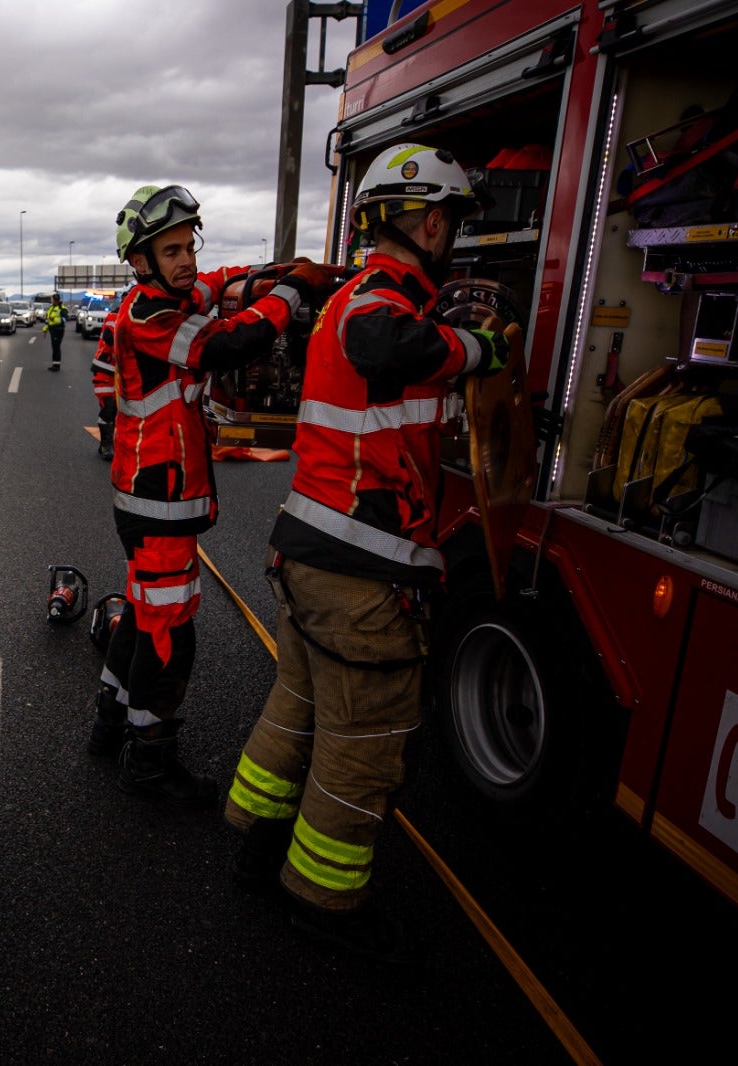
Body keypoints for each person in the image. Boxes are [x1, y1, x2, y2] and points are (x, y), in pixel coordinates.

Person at [222, 143, 513, 957]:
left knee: (301, 709)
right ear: (426, 220)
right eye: (450, 220)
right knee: (364, 752)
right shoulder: (377, 302)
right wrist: (480, 349)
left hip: (318, 554)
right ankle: (323, 901)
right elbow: (387, 348)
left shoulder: (366, 296)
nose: (451, 234)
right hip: (363, 571)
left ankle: (256, 845)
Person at [87, 183, 341, 807]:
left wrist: (274, 273)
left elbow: (222, 281)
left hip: (148, 498)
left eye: (187, 247)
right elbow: (228, 345)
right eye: (169, 251)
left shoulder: (176, 291)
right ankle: (149, 760)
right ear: (141, 262)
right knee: (171, 634)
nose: (186, 261)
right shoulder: (151, 317)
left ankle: (110, 723)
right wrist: (294, 291)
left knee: (144, 615)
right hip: (160, 500)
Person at [89, 298, 120, 460]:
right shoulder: (115, 317)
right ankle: (106, 445)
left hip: (125, 375)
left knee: (123, 412)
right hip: (105, 371)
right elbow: (110, 338)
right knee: (109, 408)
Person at [42, 292, 66, 370]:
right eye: (54, 300)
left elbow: (63, 320)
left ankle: (57, 365)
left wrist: (54, 319)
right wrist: (45, 329)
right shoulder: (51, 308)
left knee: (56, 347)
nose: (55, 301)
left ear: (59, 300)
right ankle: (54, 364)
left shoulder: (62, 309)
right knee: (54, 347)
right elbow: (47, 320)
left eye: (57, 300)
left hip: (58, 330)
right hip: (52, 330)